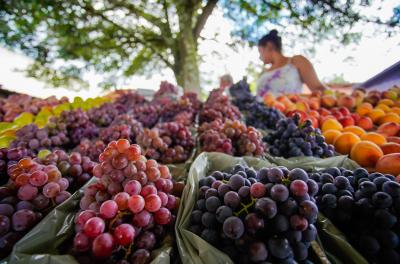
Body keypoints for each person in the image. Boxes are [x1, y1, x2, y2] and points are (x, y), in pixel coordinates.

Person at [256, 29, 326, 97]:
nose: (259, 57)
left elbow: (318, 88)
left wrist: (334, 98)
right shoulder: (265, 71)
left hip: (288, 108)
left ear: (269, 46)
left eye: (260, 51)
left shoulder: (296, 61)